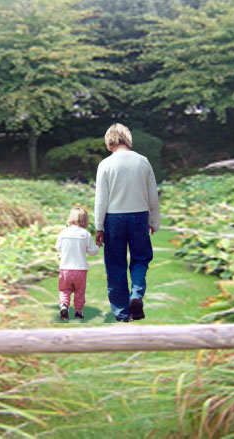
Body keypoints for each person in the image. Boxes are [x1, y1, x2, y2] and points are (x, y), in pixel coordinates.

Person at [94, 123, 160, 322]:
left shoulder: (105, 164)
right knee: (140, 259)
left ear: (109, 140)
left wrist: (99, 227)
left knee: (116, 264)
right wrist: (154, 221)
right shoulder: (143, 161)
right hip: (139, 216)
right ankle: (136, 295)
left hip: (114, 218)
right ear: (127, 138)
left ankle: (123, 313)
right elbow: (152, 195)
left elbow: (101, 200)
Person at [55, 206, 99, 321]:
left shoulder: (63, 233)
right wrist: (98, 246)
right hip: (80, 270)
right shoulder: (86, 234)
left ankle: (64, 305)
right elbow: (92, 251)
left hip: (65, 269)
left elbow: (58, 247)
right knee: (79, 292)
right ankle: (78, 312)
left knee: (64, 290)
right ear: (85, 220)